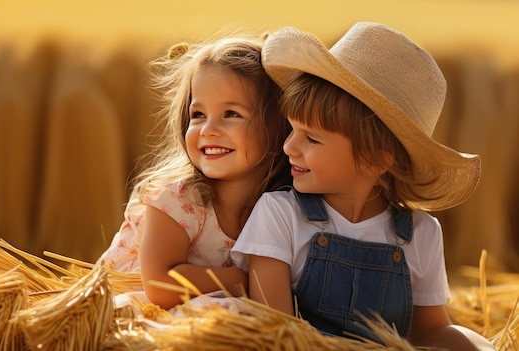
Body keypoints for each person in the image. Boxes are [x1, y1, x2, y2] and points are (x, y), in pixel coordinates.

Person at [231, 23, 495, 350]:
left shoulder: (421, 232)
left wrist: (484, 347)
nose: (289, 147)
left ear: (375, 161)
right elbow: (276, 328)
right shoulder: (280, 215)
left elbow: (431, 331)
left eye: (311, 139)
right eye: (292, 129)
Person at [99, 33, 292, 310]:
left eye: (231, 114)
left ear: (276, 127)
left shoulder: (280, 206)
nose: (208, 130)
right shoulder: (177, 200)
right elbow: (160, 286)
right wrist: (239, 280)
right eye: (198, 115)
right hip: (142, 304)